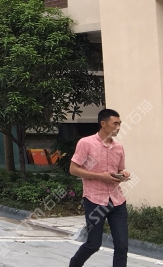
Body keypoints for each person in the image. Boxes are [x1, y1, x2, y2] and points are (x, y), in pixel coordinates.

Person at [69, 108, 130, 267]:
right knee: (93, 244)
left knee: (122, 245)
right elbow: (73, 169)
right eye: (115, 124)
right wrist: (101, 176)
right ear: (103, 124)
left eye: (120, 124)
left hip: (117, 201)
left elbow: (119, 170)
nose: (118, 127)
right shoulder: (86, 143)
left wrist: (123, 174)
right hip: (94, 200)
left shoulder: (119, 147)